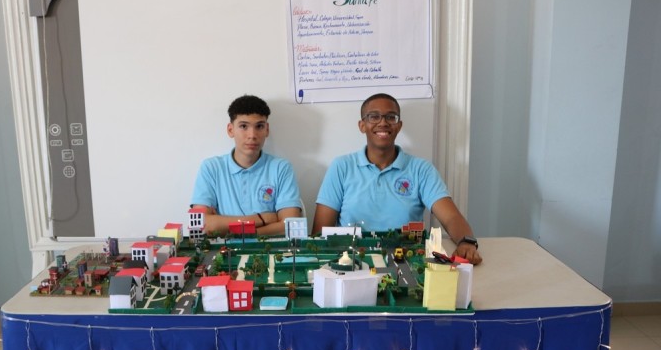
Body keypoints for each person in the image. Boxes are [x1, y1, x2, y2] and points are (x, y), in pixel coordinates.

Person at [312, 93, 482, 264]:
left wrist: (466, 242)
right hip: (351, 261)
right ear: (362, 126)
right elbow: (319, 232)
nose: (383, 123)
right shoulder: (341, 167)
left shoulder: (421, 170)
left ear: (399, 126)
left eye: (390, 117)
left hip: (406, 261)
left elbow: (451, 217)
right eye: (374, 117)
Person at [191, 95, 302, 236]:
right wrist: (262, 218)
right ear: (230, 130)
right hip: (223, 248)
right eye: (243, 126)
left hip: (267, 247)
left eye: (259, 126)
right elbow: (201, 225)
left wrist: (232, 229)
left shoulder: (281, 168)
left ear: (267, 129)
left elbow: (291, 226)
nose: (252, 135)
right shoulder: (211, 168)